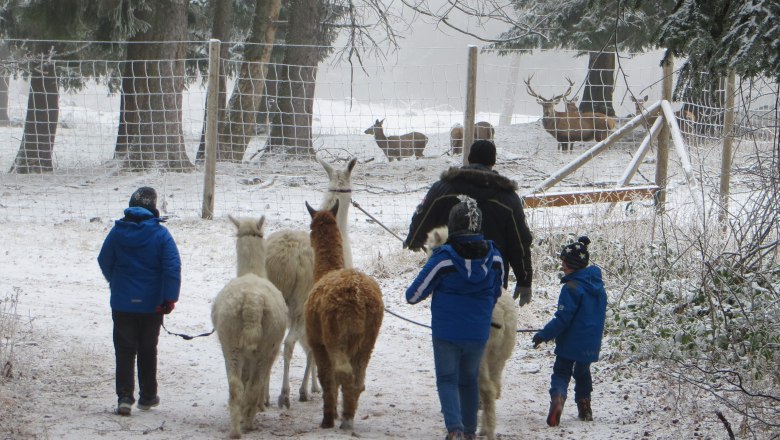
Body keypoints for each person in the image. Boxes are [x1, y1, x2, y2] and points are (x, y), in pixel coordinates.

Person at [406, 197, 505, 440]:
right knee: (469, 381)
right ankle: (470, 432)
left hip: (446, 334)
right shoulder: (494, 258)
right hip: (478, 333)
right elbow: (497, 290)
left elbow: (413, 295)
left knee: (448, 379)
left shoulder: (444, 259)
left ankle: (455, 430)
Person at [403, 139, 534, 307]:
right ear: (493, 162)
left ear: (469, 159)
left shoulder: (442, 189)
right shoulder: (507, 198)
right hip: (491, 276)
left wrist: (414, 240)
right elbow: (520, 241)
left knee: (450, 319)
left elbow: (422, 215)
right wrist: (524, 280)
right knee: (488, 323)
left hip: (448, 271)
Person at [97, 187, 181, 416]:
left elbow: (104, 260)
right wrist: (169, 298)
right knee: (147, 349)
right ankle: (148, 396)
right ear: (153, 207)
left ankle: (124, 398)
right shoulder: (161, 235)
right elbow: (172, 267)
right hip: (152, 304)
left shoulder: (117, 232)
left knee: (124, 350)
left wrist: (115, 281)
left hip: (122, 303)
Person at [532, 236, 607, 427]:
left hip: (570, 342)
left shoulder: (571, 287)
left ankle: (558, 398)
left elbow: (563, 319)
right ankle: (585, 407)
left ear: (573, 264)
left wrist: (543, 335)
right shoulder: (598, 288)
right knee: (582, 373)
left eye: (564, 262)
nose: (562, 266)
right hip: (591, 342)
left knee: (561, 372)